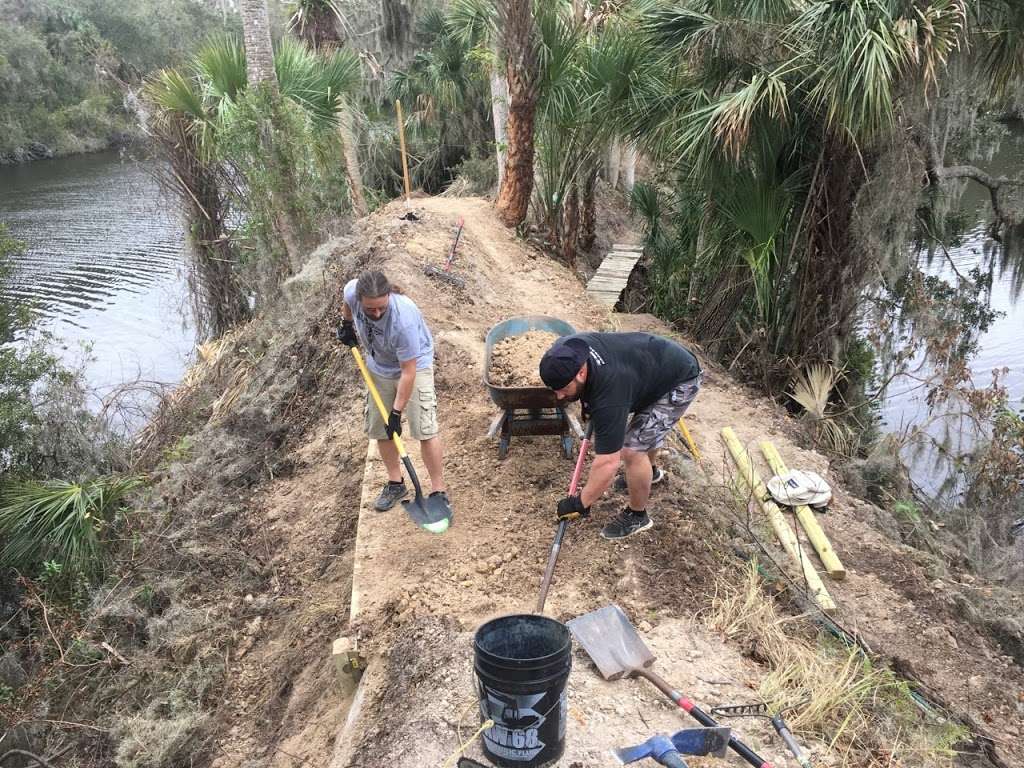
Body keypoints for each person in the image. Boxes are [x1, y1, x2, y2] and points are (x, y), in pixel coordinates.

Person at [539, 332, 702, 540]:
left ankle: (638, 516)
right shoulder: (566, 349)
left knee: (632, 450)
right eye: (554, 389)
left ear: (580, 372)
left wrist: (580, 502)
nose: (559, 396)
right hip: (652, 368)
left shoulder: (610, 394)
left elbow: (608, 462)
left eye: (564, 389)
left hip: (679, 380)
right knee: (644, 431)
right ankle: (649, 474)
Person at [337, 270, 448, 512]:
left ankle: (438, 490)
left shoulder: (403, 319)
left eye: (381, 308)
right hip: (379, 367)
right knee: (381, 428)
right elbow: (347, 303)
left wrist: (397, 413)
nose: (376, 314)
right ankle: (396, 483)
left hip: (414, 367)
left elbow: (408, 372)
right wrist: (346, 324)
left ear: (389, 296)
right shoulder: (352, 292)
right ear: (361, 300)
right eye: (370, 310)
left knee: (424, 427)